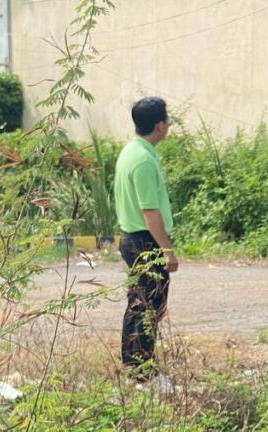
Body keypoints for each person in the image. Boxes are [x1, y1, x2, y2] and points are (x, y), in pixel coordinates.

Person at [114, 97, 176, 387]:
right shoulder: (142, 160)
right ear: (160, 125)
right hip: (144, 242)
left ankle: (135, 367)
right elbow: (149, 211)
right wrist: (167, 249)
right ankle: (143, 374)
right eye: (167, 120)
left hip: (135, 239)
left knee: (141, 305)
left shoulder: (133, 151)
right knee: (148, 308)